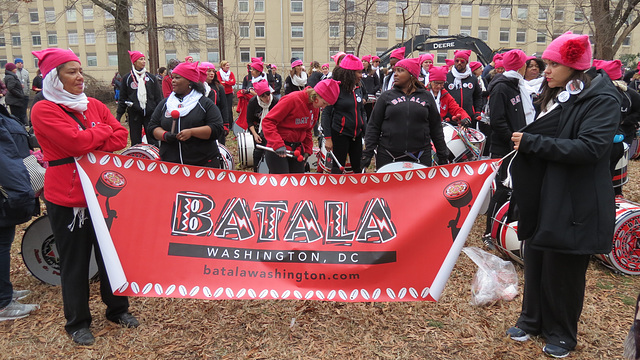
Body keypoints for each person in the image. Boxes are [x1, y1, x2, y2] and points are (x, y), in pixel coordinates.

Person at [507, 32, 621, 358]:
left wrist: (532, 143)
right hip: (548, 192)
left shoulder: (602, 100)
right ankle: (532, 320)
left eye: (554, 64)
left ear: (575, 67)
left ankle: (562, 333)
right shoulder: (561, 94)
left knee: (565, 270)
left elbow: (591, 147)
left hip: (576, 199)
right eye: (546, 63)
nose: (546, 70)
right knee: (537, 255)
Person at [30, 48, 138, 346]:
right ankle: (77, 322)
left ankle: (118, 310)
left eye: (80, 71)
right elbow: (75, 143)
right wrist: (99, 133)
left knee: (110, 256)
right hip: (68, 197)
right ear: (54, 77)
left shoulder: (91, 104)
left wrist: (93, 135)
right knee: (75, 262)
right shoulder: (44, 109)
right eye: (72, 72)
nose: (80, 77)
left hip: (102, 195)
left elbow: (121, 137)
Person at [483, 49, 533, 242]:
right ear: (521, 66)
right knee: (502, 188)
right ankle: (490, 232)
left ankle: (506, 225)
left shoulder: (517, 85)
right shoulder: (502, 87)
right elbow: (497, 120)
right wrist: (513, 141)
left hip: (518, 144)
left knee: (513, 187)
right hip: (506, 147)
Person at [362, 58, 449, 170]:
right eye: (395, 71)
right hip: (388, 156)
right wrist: (367, 153)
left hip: (420, 156)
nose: (395, 74)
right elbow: (373, 126)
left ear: (412, 74)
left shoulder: (426, 96)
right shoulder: (386, 96)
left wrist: (442, 155)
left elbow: (436, 128)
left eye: (400, 70)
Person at [0, 105, 39, 322]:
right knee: (1, 245)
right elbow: (5, 160)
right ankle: (3, 303)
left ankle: (3, 292)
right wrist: (22, 192)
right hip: (5, 188)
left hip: (7, 186)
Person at [149, 61, 224, 168]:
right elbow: (152, 127)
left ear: (189, 81)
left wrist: (192, 132)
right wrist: (165, 135)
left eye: (177, 78)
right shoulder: (166, 104)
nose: (173, 81)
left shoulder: (204, 103)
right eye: (172, 78)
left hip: (201, 165)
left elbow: (217, 128)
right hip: (171, 165)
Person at [262, 79, 341, 174]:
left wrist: (307, 150)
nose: (323, 107)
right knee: (282, 184)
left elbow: (307, 130)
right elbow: (268, 121)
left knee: (297, 183)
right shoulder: (293, 99)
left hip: (296, 150)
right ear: (316, 96)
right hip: (279, 149)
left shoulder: (314, 108)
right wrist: (277, 144)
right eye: (324, 103)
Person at [593, 58, 640, 197]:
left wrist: (625, 121)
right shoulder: (593, 93)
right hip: (599, 137)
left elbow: (639, 111)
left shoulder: (629, 94)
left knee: (618, 163)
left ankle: (616, 192)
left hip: (623, 135)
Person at [322, 54, 366, 174]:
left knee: (358, 167)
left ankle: (360, 190)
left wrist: (365, 132)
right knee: (338, 167)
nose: (361, 76)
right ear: (350, 74)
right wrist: (328, 138)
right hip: (340, 134)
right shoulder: (335, 89)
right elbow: (326, 114)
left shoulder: (358, 88)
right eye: (359, 73)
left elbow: (361, 111)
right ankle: (336, 191)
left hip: (356, 135)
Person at [115, 50, 163, 146]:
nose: (144, 61)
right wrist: (119, 116)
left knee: (153, 140)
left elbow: (158, 97)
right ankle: (137, 158)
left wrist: (160, 113)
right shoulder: (127, 78)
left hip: (150, 114)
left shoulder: (151, 78)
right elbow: (123, 98)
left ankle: (155, 158)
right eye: (141, 59)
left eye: (144, 59)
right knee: (135, 140)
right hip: (134, 114)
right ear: (134, 62)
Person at [446, 50, 483, 129]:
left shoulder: (472, 78)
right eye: (457, 61)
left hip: (468, 120)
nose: (459, 63)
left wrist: (477, 112)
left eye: (462, 61)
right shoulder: (447, 77)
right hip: (450, 119)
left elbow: (478, 97)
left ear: (466, 62)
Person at [246, 80, 278, 171]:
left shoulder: (275, 101)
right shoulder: (253, 103)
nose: (267, 98)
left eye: (268, 94)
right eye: (263, 96)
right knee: (257, 151)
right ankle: (257, 170)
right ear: (259, 96)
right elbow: (249, 121)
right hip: (257, 130)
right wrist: (255, 135)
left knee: (271, 152)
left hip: (272, 130)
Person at [200, 62, 229, 145]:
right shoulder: (198, 88)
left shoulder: (219, 88)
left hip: (217, 121)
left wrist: (225, 124)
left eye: (213, 71)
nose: (212, 73)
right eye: (208, 71)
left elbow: (224, 107)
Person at [360, 55, 380, 121]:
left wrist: (373, 90)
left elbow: (378, 84)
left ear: (368, 63)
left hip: (371, 98)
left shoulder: (373, 73)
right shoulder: (359, 73)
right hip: (362, 97)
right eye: (362, 61)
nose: (363, 63)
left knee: (370, 115)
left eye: (365, 61)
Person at [218, 60, 236, 129]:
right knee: (222, 108)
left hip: (229, 93)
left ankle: (230, 125)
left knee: (229, 109)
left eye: (228, 65)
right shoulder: (218, 73)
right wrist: (228, 82)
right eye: (226, 65)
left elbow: (233, 82)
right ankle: (223, 123)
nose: (228, 67)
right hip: (222, 93)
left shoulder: (230, 73)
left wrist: (225, 82)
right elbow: (220, 83)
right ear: (223, 66)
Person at [14, 59, 29, 123]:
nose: (20, 64)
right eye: (18, 62)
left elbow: (28, 83)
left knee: (24, 110)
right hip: (17, 95)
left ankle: (25, 123)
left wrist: (27, 93)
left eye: (21, 63)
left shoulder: (26, 72)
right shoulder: (13, 72)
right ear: (15, 64)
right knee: (17, 111)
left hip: (25, 94)